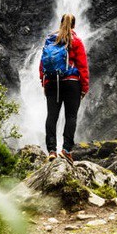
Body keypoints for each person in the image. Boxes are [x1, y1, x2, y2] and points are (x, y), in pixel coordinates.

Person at [40, 13, 89, 162]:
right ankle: (66, 150)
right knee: (71, 116)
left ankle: (51, 151)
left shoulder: (50, 40)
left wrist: (44, 82)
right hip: (72, 83)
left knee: (52, 116)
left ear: (60, 23)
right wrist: (84, 87)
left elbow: (42, 64)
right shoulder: (77, 42)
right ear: (74, 25)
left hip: (52, 82)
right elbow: (83, 66)